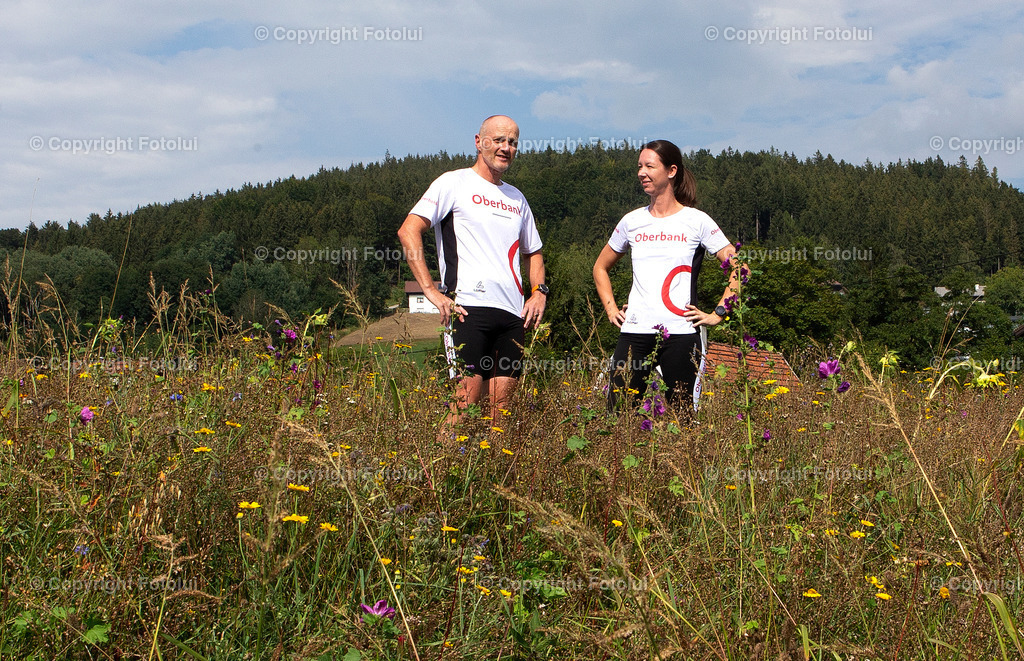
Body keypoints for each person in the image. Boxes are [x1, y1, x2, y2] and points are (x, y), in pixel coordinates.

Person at [397, 115, 547, 422]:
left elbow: (533, 252)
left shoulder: (517, 198)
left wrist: (539, 292)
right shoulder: (453, 183)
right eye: (498, 140)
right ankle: (444, 456)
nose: (506, 148)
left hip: (512, 315)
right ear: (479, 142)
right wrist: (430, 291)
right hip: (467, 309)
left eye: (512, 142)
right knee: (464, 404)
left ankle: (494, 458)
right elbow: (408, 230)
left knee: (501, 412)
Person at [593, 139, 741, 413]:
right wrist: (611, 309)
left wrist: (719, 313)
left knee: (683, 418)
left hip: (681, 334)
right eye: (639, 166)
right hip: (635, 331)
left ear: (672, 171)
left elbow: (740, 268)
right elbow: (600, 267)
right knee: (616, 417)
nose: (641, 173)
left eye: (649, 166)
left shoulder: (697, 221)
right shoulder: (631, 221)